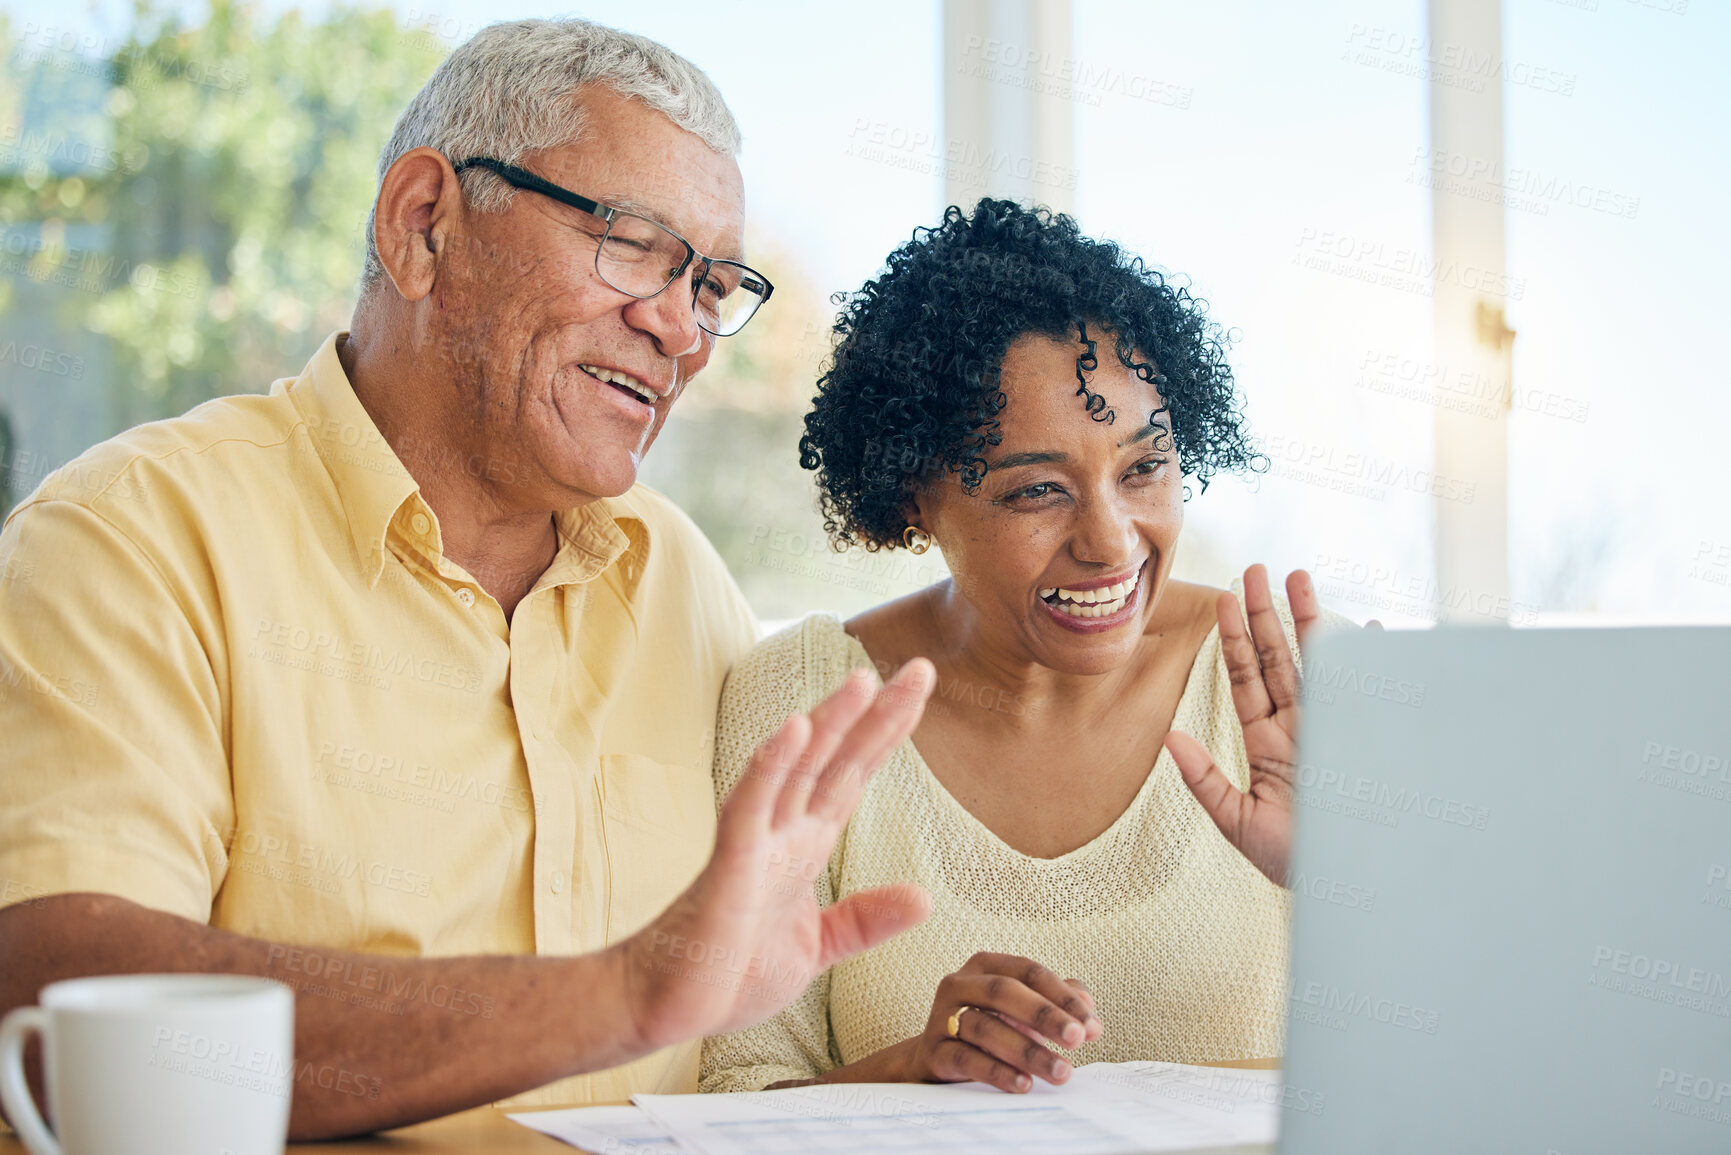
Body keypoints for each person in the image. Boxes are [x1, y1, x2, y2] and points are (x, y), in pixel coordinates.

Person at [0, 19, 936, 1138]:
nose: (681, 328)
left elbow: (705, 1043)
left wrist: (890, 1086)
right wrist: (624, 994)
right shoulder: (133, 537)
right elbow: (61, 1008)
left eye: (713, 284)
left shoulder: (679, 577)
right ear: (424, 224)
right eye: (635, 245)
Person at [701, 199, 1356, 1096]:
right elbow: (735, 1088)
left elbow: (1471, 1057)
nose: (1112, 542)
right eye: (1036, 490)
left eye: (1143, 468)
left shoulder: (1298, 689)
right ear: (911, 496)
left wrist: (1352, 884)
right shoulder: (805, 699)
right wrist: (911, 1069)